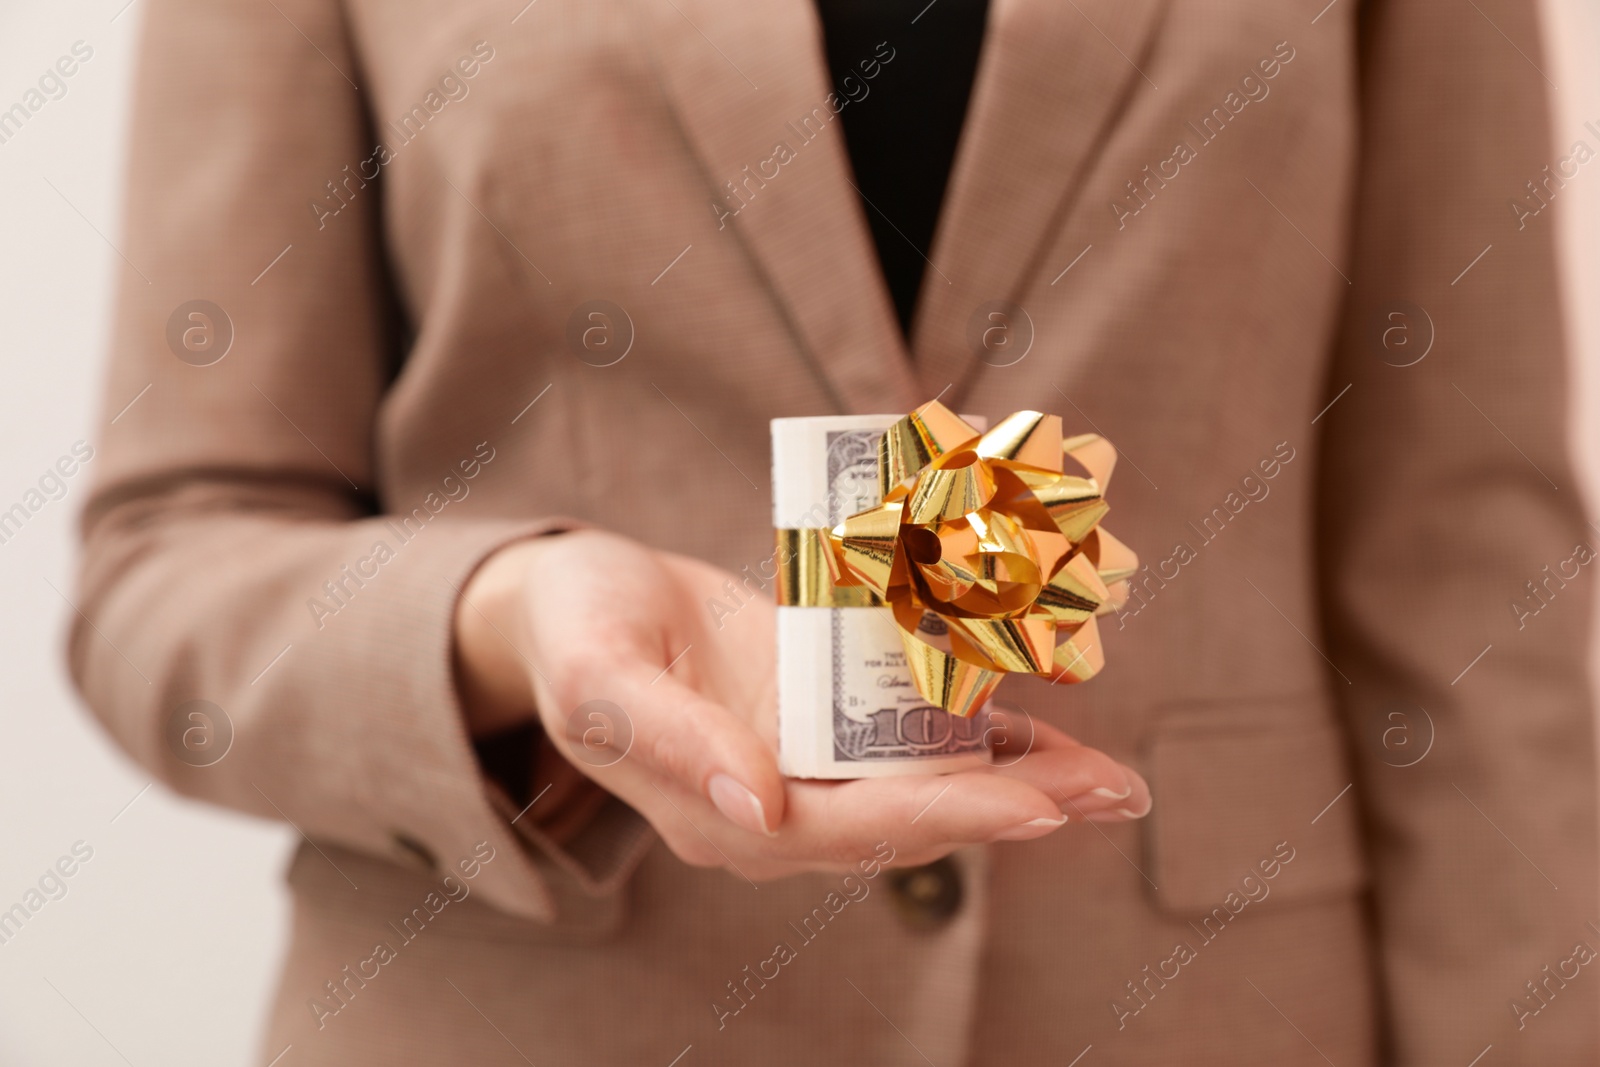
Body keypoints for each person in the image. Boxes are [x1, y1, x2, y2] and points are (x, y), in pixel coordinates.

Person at [70, 0, 1597, 1062]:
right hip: (526, 1020)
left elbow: (1468, 574)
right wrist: (508, 612)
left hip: (1198, 1015)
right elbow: (169, 556)